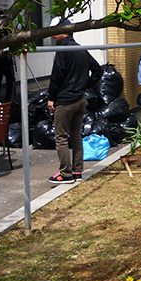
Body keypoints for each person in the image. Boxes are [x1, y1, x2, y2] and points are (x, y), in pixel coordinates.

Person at [46, 18, 102, 184]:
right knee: (76, 135)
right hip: (80, 99)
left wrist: (51, 98)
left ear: (65, 30)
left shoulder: (64, 49)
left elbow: (57, 76)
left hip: (65, 100)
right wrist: (85, 86)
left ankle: (65, 173)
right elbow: (98, 70)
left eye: (54, 30)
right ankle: (78, 171)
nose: (52, 34)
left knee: (61, 137)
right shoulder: (80, 49)